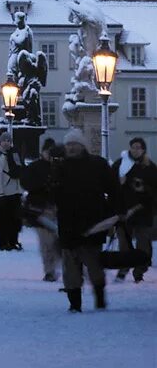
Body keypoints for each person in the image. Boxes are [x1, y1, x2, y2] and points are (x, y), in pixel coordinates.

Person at [53, 129, 119, 312]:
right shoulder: (60, 167)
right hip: (67, 224)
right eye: (68, 144)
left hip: (92, 224)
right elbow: (53, 193)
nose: (71, 147)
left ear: (82, 146)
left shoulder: (98, 165)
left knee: (94, 265)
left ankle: (99, 297)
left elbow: (113, 189)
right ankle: (75, 304)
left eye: (74, 144)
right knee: (70, 268)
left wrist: (114, 213)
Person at [112, 136, 157, 282]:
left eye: (138, 147)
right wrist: (119, 183)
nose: (135, 150)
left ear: (143, 150)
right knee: (124, 243)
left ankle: (139, 272)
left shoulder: (149, 166)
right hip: (123, 211)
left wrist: (144, 188)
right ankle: (123, 269)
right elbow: (110, 185)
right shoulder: (120, 164)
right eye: (133, 147)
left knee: (142, 244)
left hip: (143, 211)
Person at [20, 137, 61, 281]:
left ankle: (58, 266)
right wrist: (42, 185)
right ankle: (49, 270)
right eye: (47, 151)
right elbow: (25, 183)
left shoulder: (60, 167)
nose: (49, 154)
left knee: (59, 241)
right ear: (42, 152)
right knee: (46, 242)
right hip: (41, 210)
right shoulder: (35, 167)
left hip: (58, 209)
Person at [0, 132, 24, 251]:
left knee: (15, 220)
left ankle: (13, 241)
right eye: (4, 141)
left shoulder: (13, 155)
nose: (6, 143)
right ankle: (3, 242)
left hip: (15, 192)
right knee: (3, 220)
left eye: (8, 141)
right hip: (5, 193)